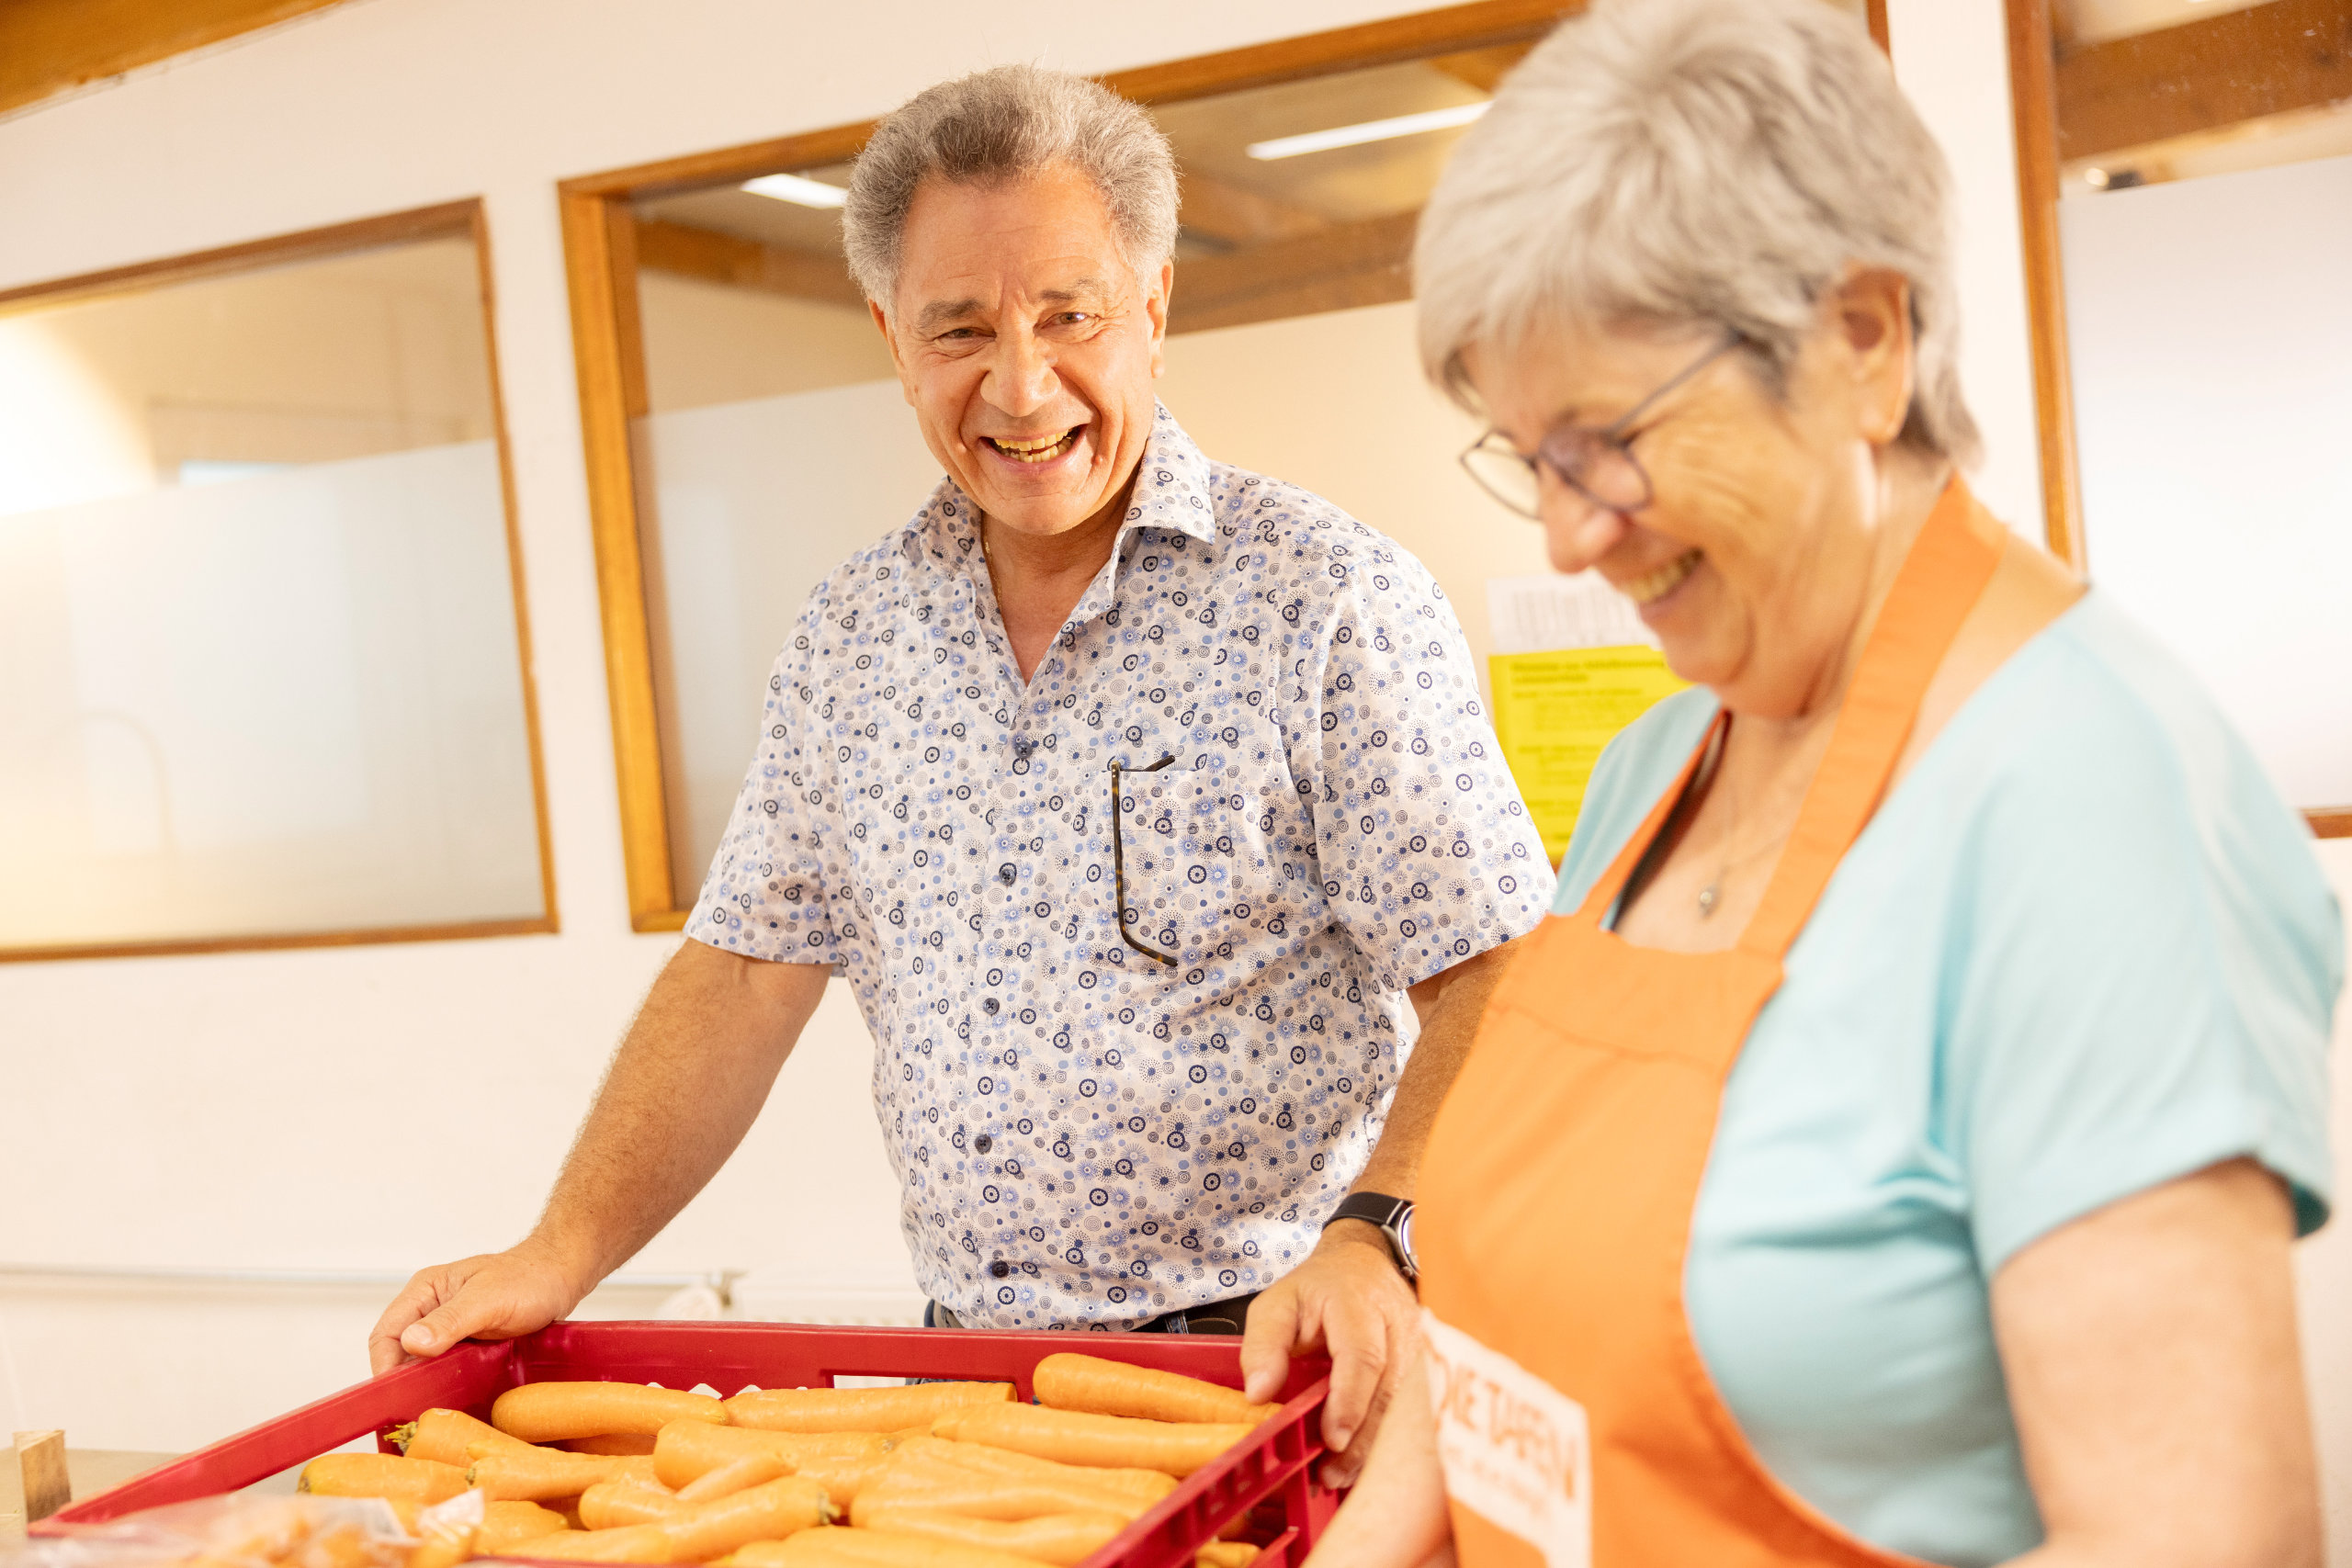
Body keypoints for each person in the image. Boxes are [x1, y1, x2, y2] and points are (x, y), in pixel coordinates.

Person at [368, 64, 1552, 1485]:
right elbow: (744, 975)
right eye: (961, 329)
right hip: (970, 1391)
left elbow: (1501, 968)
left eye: (1070, 315)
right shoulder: (852, 637)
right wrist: (560, 1249)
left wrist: (1378, 1231)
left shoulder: (1329, 598)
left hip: (1282, 1368)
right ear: (892, 336)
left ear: (1154, 303)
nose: (1022, 386)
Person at [1310, 1, 2340, 1564]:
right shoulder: (1655, 769)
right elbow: (1491, 1357)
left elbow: (2201, 1544)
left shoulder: (2093, 810)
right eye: (1532, 461)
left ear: (1863, 340)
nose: (1567, 539)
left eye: (1606, 440)